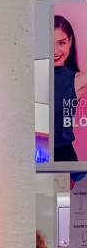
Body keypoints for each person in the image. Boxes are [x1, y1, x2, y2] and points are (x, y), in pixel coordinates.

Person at [56, 15, 80, 161]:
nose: (55, 51)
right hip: (36, 154)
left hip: (66, 156)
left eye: (62, 43)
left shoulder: (80, 79)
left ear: (70, 42)